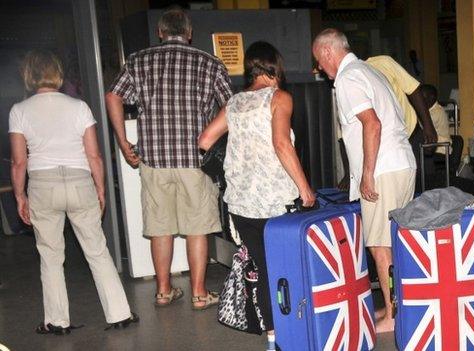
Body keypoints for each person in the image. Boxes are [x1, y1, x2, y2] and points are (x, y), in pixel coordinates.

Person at [106, 8, 232, 310]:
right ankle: (200, 294)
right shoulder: (209, 63)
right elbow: (232, 105)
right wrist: (210, 137)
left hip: (154, 161)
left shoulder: (138, 61)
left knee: (160, 227)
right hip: (195, 162)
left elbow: (113, 96)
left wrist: (124, 142)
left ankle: (163, 290)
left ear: (160, 33)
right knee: (197, 227)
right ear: (189, 34)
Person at [9, 50, 138, 335]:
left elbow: (19, 162)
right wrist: (101, 189)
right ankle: (120, 314)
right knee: (97, 250)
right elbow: (94, 156)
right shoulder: (79, 107)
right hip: (80, 181)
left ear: (29, 75)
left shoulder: (19, 111)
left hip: (43, 184)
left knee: (51, 255)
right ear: (58, 73)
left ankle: (56, 321)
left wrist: (20, 196)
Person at [198, 41, 315, 351]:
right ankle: (295, 329)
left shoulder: (234, 102)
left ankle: (274, 338)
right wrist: (305, 188)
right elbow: (282, 144)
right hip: (274, 200)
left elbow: (206, 139)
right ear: (275, 67)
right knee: (285, 266)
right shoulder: (280, 98)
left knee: (262, 269)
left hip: (240, 202)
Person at [313, 28, 416, 333]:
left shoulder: (347, 79)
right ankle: (397, 306)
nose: (320, 68)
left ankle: (395, 317)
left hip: (383, 169)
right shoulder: (368, 71)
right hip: (400, 163)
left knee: (380, 246)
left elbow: (372, 124)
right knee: (394, 243)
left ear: (329, 52)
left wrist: (366, 175)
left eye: (319, 60)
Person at [337, 55, 438, 192]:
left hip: (409, 136)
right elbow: (344, 138)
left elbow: (413, 89)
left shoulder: (383, 63)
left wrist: (428, 126)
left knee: (425, 189)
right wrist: (350, 174)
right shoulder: (349, 80)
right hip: (379, 149)